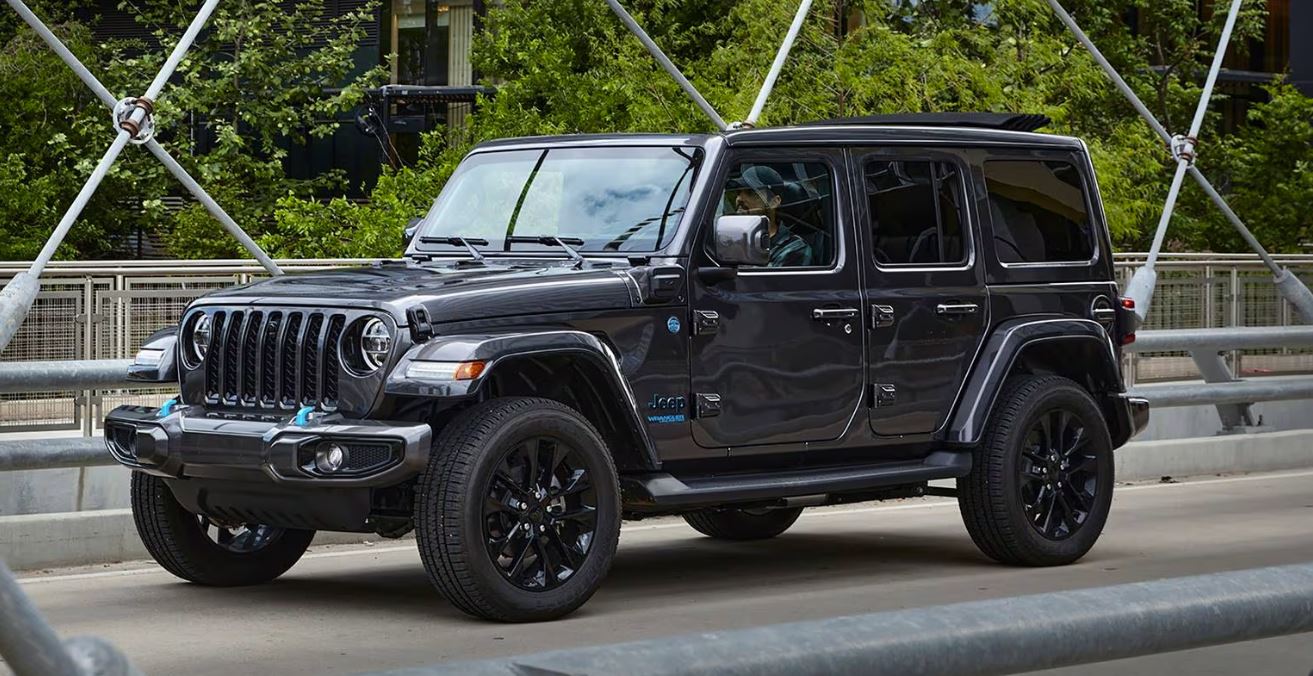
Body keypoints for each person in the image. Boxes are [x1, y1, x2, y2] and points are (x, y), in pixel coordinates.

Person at [727, 165, 814, 268]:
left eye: (751, 192)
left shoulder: (794, 249)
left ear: (774, 202)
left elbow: (761, 283)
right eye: (738, 192)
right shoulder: (730, 240)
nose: (739, 199)